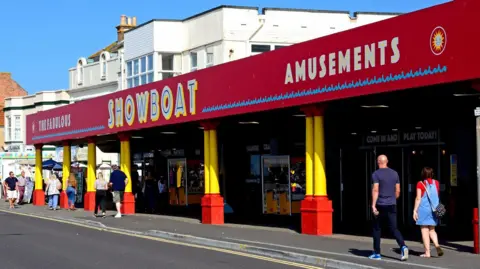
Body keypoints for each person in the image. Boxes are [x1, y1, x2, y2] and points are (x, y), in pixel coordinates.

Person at [369, 155, 409, 261]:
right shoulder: (395, 173)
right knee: (394, 228)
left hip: (380, 205)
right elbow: (398, 191)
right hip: (392, 205)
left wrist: (373, 205)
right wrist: (392, 199)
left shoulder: (376, 174)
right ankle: (403, 246)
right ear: (387, 161)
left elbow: (376, 190)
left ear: (378, 162)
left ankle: (377, 253)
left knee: (377, 229)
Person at [413, 167, 444, 258]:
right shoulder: (436, 183)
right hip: (434, 209)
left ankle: (427, 252)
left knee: (424, 230)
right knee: (432, 230)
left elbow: (418, 198)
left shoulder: (420, 184)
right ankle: (437, 245)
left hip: (423, 209)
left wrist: (415, 210)